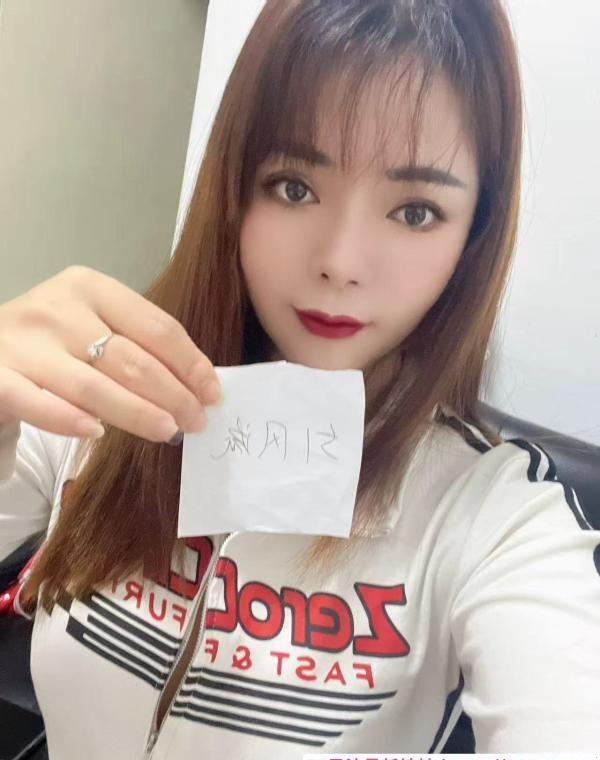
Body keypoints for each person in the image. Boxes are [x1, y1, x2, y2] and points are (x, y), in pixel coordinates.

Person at [0, 0, 599, 757]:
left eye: (416, 211)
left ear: (473, 236)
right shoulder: (102, 402)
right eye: (293, 187)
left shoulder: (495, 518)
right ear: (234, 188)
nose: (341, 262)